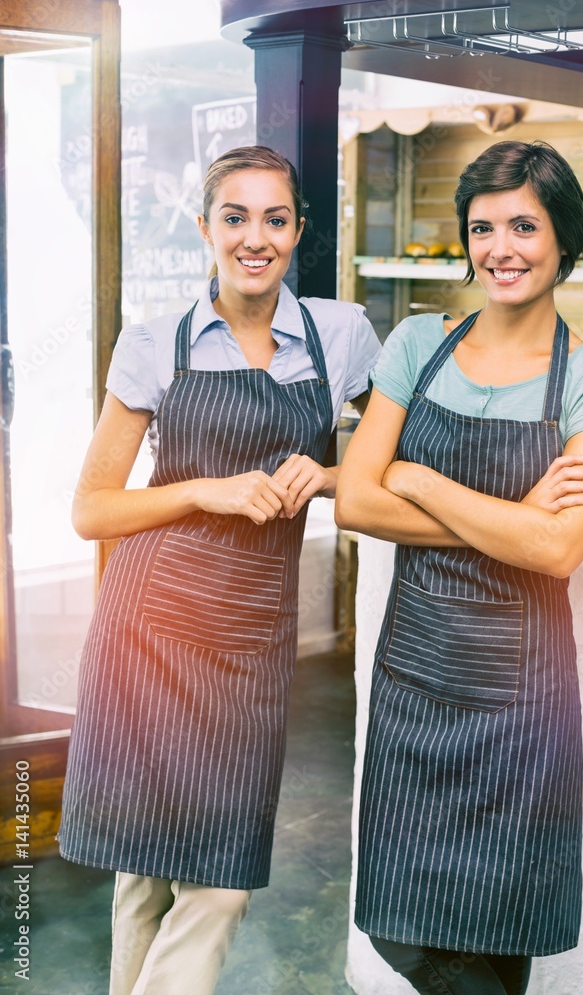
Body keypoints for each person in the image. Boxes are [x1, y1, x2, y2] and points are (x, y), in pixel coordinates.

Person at [58, 144, 381, 995]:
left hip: (249, 634)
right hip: (152, 625)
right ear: (205, 227)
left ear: (299, 232)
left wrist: (337, 472)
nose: (254, 237)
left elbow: (401, 459)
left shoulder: (340, 336)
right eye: (234, 217)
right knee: (145, 872)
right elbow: (93, 510)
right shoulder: (155, 342)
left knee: (220, 881)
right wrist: (206, 490)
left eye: (275, 219)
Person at [336, 140, 583, 995]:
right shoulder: (416, 344)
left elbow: (556, 548)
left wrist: (419, 477)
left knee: (502, 938)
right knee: (406, 932)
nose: (499, 247)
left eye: (522, 225)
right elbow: (356, 503)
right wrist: (509, 517)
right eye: (481, 227)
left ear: (563, 239)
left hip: (518, 708)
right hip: (414, 685)